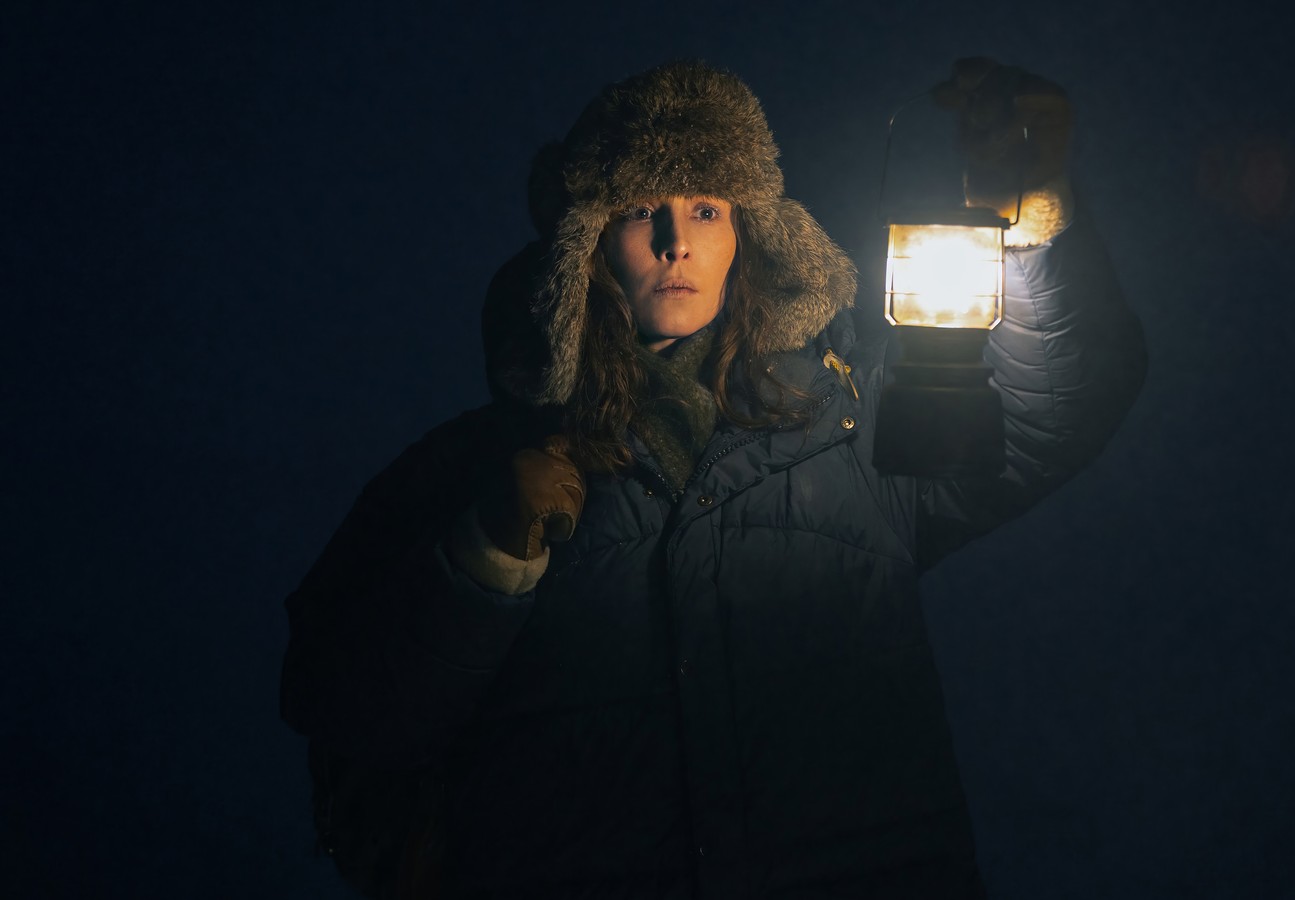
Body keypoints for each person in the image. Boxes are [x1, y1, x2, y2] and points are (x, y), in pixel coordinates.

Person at [281, 59, 1146, 900]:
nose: (675, 241)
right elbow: (348, 707)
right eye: (640, 210)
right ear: (586, 244)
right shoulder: (475, 469)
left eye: (705, 206)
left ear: (751, 234)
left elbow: (1054, 407)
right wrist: (484, 561)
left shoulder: (848, 429)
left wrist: (1034, 209)